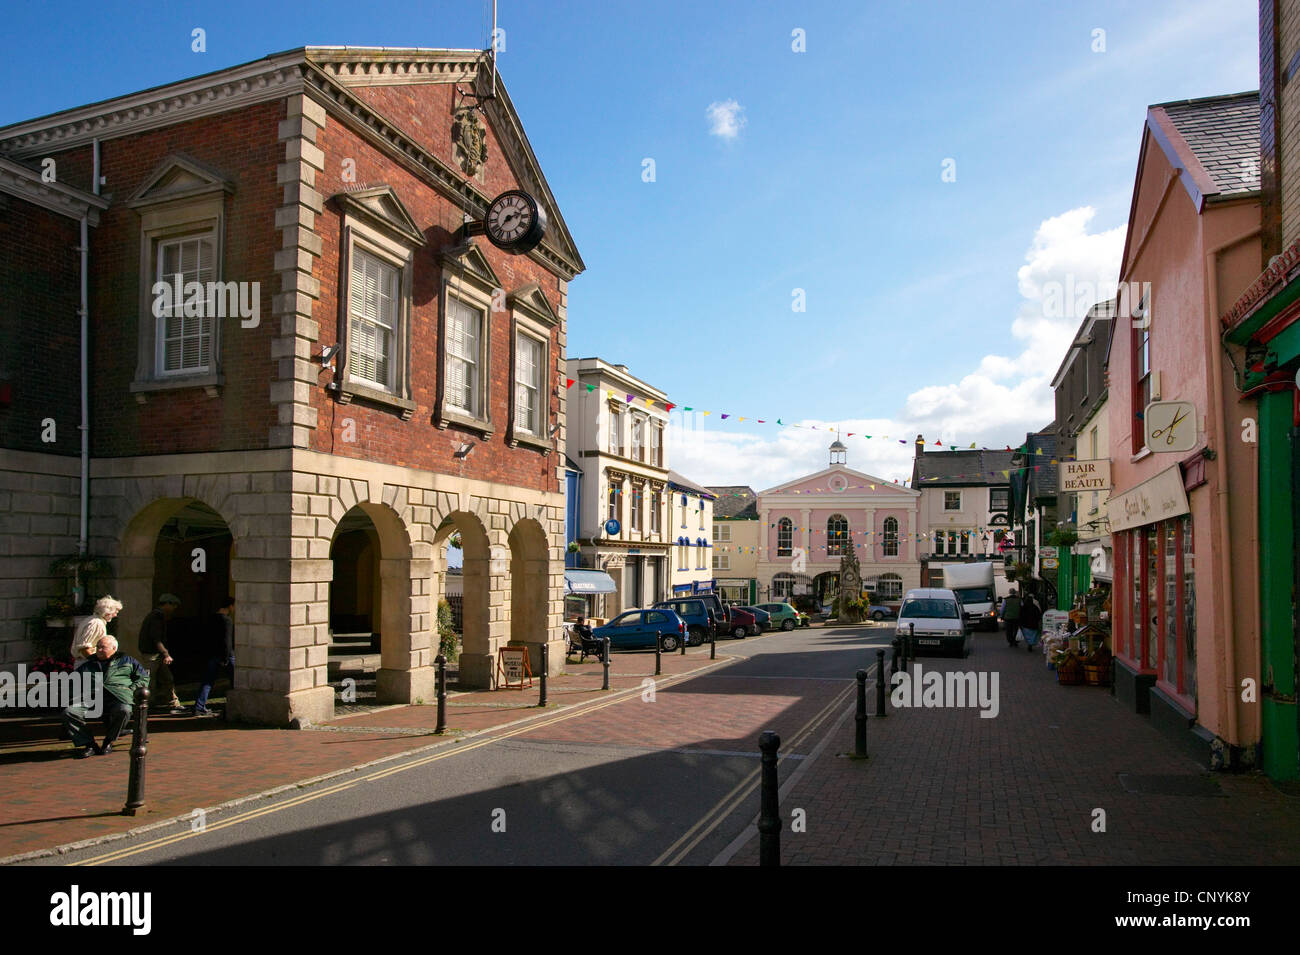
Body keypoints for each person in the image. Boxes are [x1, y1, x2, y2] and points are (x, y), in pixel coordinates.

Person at [62, 634, 149, 758]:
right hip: (91, 699)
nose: (99, 650)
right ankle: (89, 744)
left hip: (118, 697)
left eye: (103, 647)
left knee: (124, 710)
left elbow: (143, 678)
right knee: (69, 712)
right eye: (98, 647)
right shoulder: (89, 664)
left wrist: (130, 690)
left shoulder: (128, 661)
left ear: (114, 649)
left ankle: (109, 741)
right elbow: (73, 681)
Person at [139, 594, 187, 715]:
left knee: (167, 679)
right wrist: (165, 653)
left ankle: (173, 703)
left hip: (156, 654)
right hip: (152, 655)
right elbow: (156, 638)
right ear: (167, 604)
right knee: (149, 681)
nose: (174, 608)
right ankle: (145, 705)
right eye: (173, 605)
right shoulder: (156, 617)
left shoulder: (156, 616)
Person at [194, 596, 235, 716]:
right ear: (230, 606)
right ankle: (233, 706)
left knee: (207, 681)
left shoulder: (211, 618)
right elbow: (227, 640)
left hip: (212, 654)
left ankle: (199, 706)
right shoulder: (226, 620)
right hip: (226, 655)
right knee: (235, 682)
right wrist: (226, 657)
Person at [70, 595, 123, 665]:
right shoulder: (96, 623)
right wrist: (97, 664)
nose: (116, 615)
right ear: (108, 612)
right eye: (115, 612)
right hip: (87, 663)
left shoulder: (92, 620)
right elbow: (84, 648)